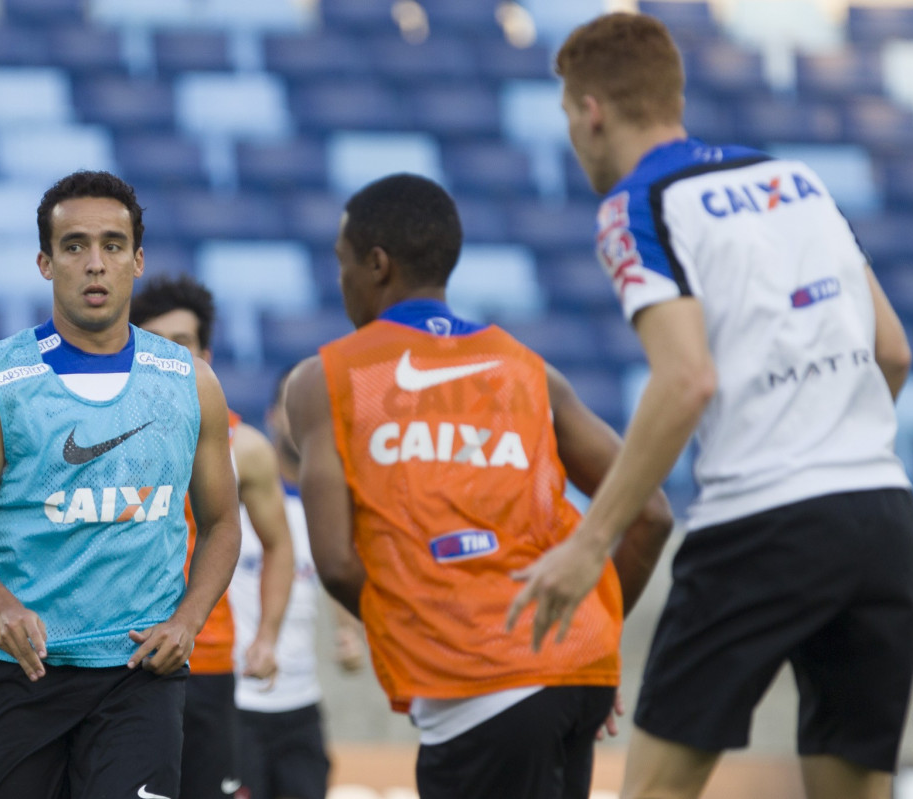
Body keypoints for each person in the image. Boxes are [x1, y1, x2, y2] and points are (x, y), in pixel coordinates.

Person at [509, 13, 913, 799]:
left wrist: (593, 541)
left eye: (568, 116)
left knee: (657, 788)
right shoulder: (797, 181)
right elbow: (892, 350)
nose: (572, 135)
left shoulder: (638, 205)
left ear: (591, 110)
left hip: (761, 521)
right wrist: (833, 439)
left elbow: (685, 379)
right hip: (879, 513)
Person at [285, 173, 674, 799]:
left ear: (377, 265)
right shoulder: (529, 369)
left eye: (343, 263)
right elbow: (650, 513)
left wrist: (429, 638)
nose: (342, 280)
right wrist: (578, 636)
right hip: (580, 670)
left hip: (478, 683)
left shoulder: (327, 378)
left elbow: (334, 561)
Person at [0, 171, 241, 799]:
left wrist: (188, 620)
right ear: (45, 262)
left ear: (137, 259)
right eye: (74, 246)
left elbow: (222, 523)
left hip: (137, 676)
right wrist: (3, 608)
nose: (94, 264)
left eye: (112, 245)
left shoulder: (189, 381)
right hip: (20, 675)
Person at [130, 275, 295, 799]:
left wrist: (267, 635)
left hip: (206, 660)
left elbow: (280, 545)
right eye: (153, 344)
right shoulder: (99, 437)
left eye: (180, 344)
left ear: (206, 353)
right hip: (121, 656)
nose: (167, 357)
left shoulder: (243, 447)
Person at [228, 368, 367, 799]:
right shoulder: (231, 495)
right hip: (235, 703)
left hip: (301, 705)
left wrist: (348, 632)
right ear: (272, 416)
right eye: (294, 406)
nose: (305, 417)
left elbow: (331, 571)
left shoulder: (328, 505)